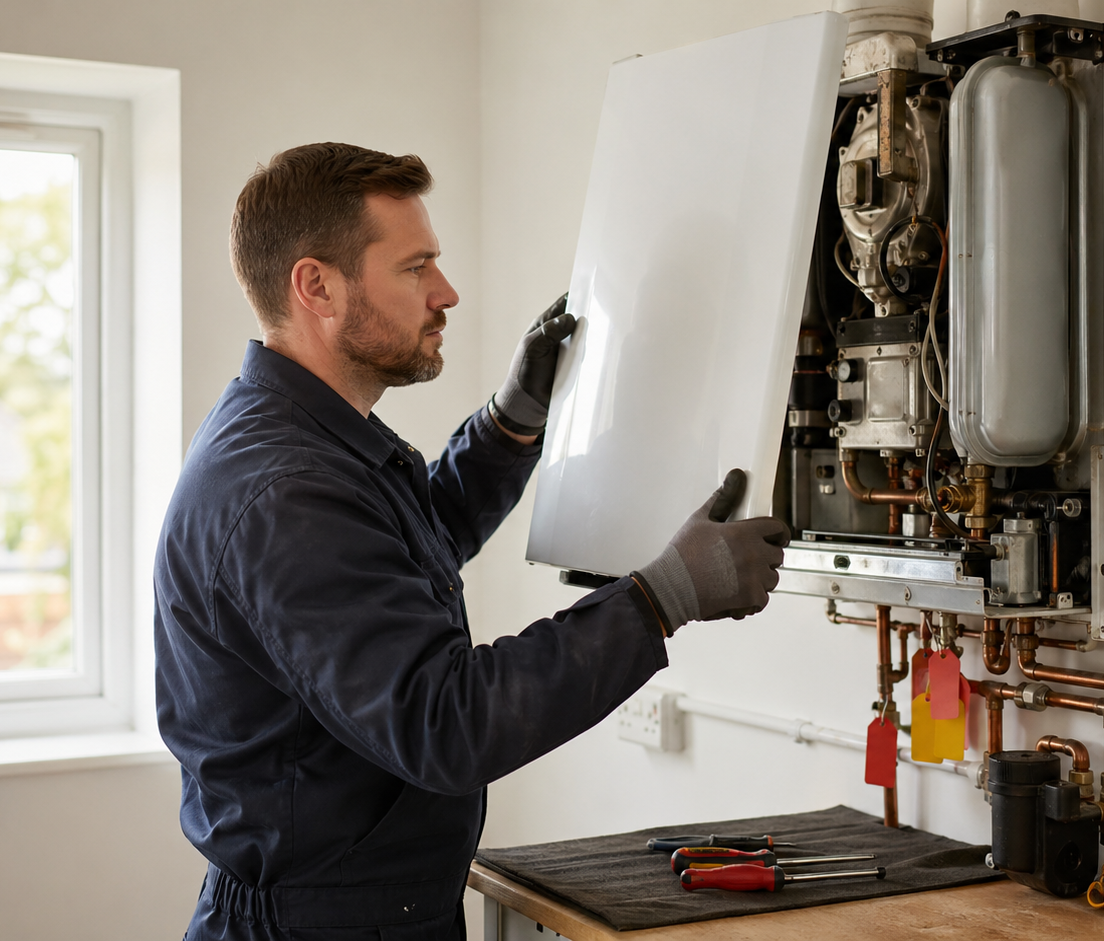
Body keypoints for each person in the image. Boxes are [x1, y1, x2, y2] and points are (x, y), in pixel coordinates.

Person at [154, 142, 791, 941]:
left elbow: (405, 554)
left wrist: (508, 424)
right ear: (316, 286)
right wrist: (662, 596)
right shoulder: (285, 489)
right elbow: (444, 722)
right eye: (415, 267)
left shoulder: (302, 441)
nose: (446, 292)